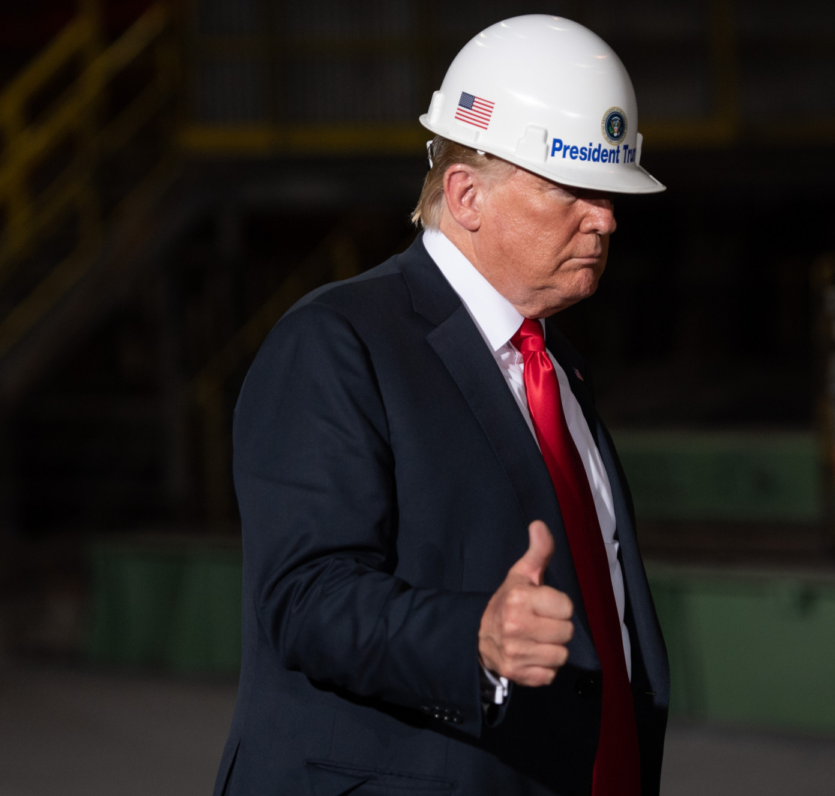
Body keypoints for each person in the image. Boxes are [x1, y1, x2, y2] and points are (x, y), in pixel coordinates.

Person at [213, 15, 668, 796]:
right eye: (575, 190)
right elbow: (305, 597)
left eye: (611, 194)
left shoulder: (554, 369)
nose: (606, 218)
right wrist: (476, 639)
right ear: (466, 195)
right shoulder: (335, 344)